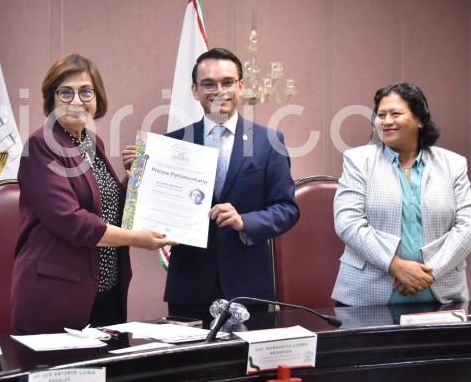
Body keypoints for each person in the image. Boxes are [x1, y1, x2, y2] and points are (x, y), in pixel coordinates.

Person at [123, 48, 299, 324]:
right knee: (191, 366)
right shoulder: (171, 145)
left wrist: (245, 222)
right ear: (194, 90)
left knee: (249, 367)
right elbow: (142, 211)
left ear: (241, 86)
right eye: (208, 84)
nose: (219, 90)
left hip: (249, 289)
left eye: (228, 82)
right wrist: (136, 176)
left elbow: (287, 209)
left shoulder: (269, 141)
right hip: (189, 287)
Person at [11, 54, 176, 334]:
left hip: (105, 288)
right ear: (51, 99)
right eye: (66, 92)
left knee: (106, 375)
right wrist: (137, 239)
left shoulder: (91, 141)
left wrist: (134, 176)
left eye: (86, 91)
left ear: (97, 97)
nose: (77, 101)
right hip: (57, 292)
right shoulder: (41, 146)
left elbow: (108, 206)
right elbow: (71, 221)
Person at [332, 82, 471, 306]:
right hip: (367, 295)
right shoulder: (358, 160)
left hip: (442, 295)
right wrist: (396, 266)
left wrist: (427, 273)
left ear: (420, 120)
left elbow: (467, 226)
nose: (386, 121)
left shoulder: (453, 164)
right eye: (381, 115)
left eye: (395, 114)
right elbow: (347, 222)